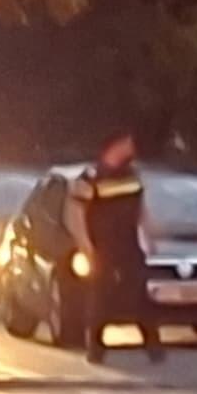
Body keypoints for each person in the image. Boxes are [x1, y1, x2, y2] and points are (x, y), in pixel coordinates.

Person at [70, 132, 155, 363]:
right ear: (114, 145)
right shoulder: (92, 176)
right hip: (103, 245)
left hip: (129, 243)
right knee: (100, 298)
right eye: (127, 143)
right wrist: (85, 245)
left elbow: (140, 207)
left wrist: (147, 233)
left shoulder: (132, 174)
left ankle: (152, 344)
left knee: (139, 292)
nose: (132, 147)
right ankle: (96, 349)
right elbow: (77, 213)